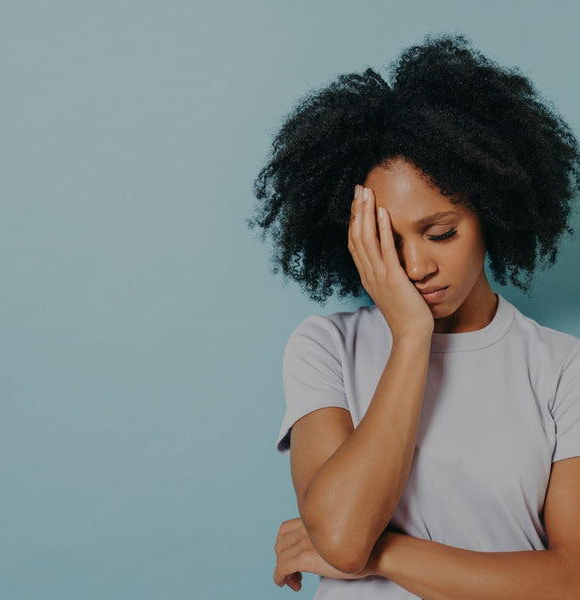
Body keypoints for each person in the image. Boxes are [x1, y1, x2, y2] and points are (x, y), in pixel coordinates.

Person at [248, 33, 580, 599]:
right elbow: (345, 541)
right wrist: (409, 337)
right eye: (387, 241)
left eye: (442, 232)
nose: (417, 266)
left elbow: (571, 581)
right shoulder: (325, 347)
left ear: (490, 210)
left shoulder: (561, 368)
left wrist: (386, 554)